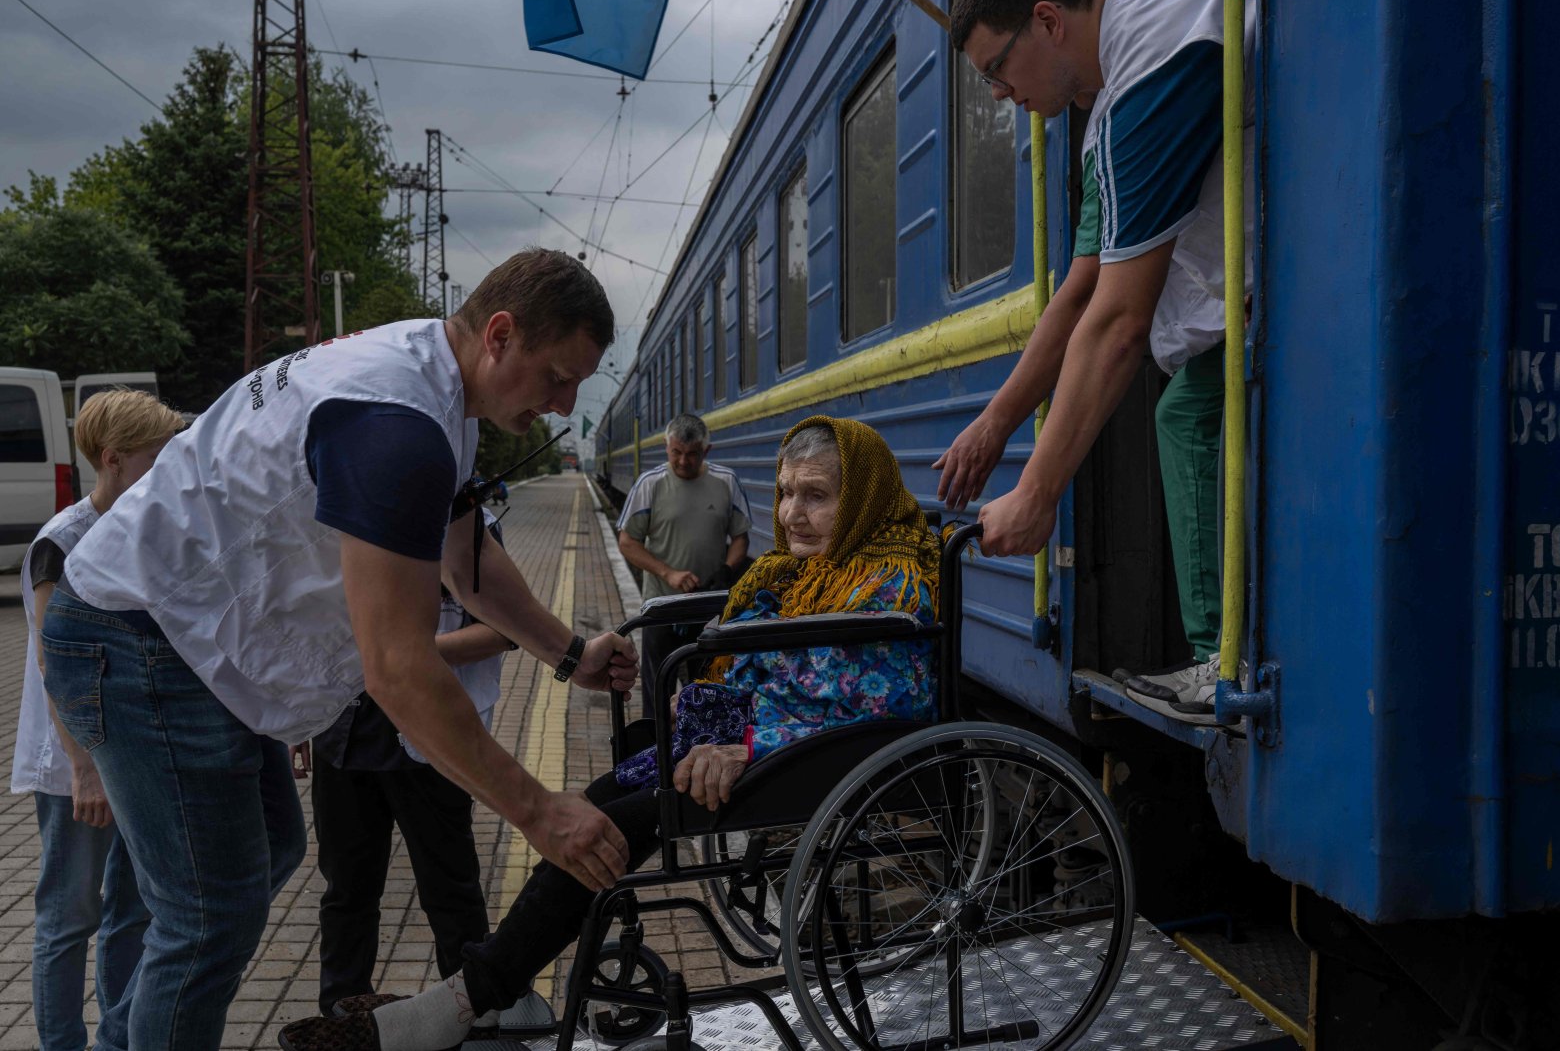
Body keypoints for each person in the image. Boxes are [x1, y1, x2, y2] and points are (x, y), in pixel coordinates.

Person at [40, 248, 639, 1050]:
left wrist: (569, 653)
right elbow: (397, 671)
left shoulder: (435, 392)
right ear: (501, 334)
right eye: (559, 377)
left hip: (178, 639)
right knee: (210, 918)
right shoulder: (395, 424)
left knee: (265, 856)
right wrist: (540, 814)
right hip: (137, 636)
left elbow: (466, 564)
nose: (565, 405)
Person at [277, 415, 942, 1051]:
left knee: (611, 828)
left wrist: (736, 744)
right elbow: (742, 671)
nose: (793, 513)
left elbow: (864, 703)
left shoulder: (890, 582)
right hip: (757, 749)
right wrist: (711, 728)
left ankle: (465, 999)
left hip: (809, 758)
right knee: (595, 806)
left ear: (863, 497)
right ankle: (487, 988)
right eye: (787, 492)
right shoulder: (796, 575)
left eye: (817, 497)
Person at [936, 0, 1256, 708]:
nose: (997, 96)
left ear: (1048, 21)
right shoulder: (1116, 101)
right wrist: (996, 425)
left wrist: (1038, 494)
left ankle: (1223, 664)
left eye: (998, 69)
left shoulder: (1146, 71)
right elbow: (1079, 293)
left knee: (1189, 417)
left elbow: (1115, 324)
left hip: (1262, 302)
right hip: (1243, 301)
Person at [8, 391, 179, 1051]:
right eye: (155, 458)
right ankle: (61, 1045)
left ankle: (119, 1037)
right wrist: (84, 770)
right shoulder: (63, 541)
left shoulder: (143, 527)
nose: (167, 470)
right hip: (75, 763)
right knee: (67, 915)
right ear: (113, 460)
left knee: (134, 911)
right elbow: (59, 667)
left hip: (133, 755)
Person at [310, 512, 514, 1020]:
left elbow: (503, 630)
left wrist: (410, 654)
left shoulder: (470, 525)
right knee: (346, 893)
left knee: (451, 893)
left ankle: (474, 1015)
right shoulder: (340, 515)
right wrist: (302, 714)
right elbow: (310, 623)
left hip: (429, 738)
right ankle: (342, 1015)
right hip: (344, 736)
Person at [616, 412, 752, 718]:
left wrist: (726, 571)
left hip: (708, 609)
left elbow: (741, 538)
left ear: (706, 451)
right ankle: (657, 748)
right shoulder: (650, 485)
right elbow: (627, 541)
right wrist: (668, 573)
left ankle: (698, 745)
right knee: (658, 691)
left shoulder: (725, 481)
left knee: (708, 688)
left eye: (691, 454)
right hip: (661, 609)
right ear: (667, 447)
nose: (682, 461)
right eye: (675, 453)